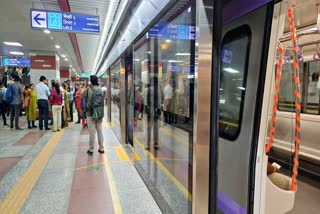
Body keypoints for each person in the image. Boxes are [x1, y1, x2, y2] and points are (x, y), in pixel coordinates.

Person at [82, 75, 104, 155]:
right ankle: (101, 148)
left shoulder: (88, 90)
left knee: (92, 132)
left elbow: (82, 98)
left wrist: (86, 86)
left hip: (90, 114)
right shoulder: (100, 89)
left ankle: (91, 149)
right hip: (99, 113)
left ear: (90, 81)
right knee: (100, 131)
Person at [144, 78, 160, 150]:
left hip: (149, 111)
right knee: (156, 128)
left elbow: (143, 99)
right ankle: (156, 144)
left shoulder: (146, 90)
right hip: (156, 111)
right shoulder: (159, 90)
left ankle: (147, 144)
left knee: (148, 128)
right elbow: (161, 99)